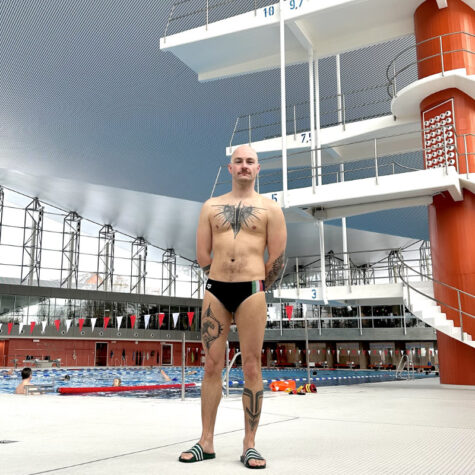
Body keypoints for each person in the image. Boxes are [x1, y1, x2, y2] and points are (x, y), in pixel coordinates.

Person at [179, 144, 287, 469]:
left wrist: (254, 281)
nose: (243, 166)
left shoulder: (270, 209)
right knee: (211, 366)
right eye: (238, 161)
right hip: (216, 291)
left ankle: (249, 445)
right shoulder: (210, 206)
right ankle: (206, 441)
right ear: (230, 168)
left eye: (249, 161)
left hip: (252, 291)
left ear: (257, 169)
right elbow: (202, 254)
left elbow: (278, 258)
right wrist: (221, 276)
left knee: (252, 366)